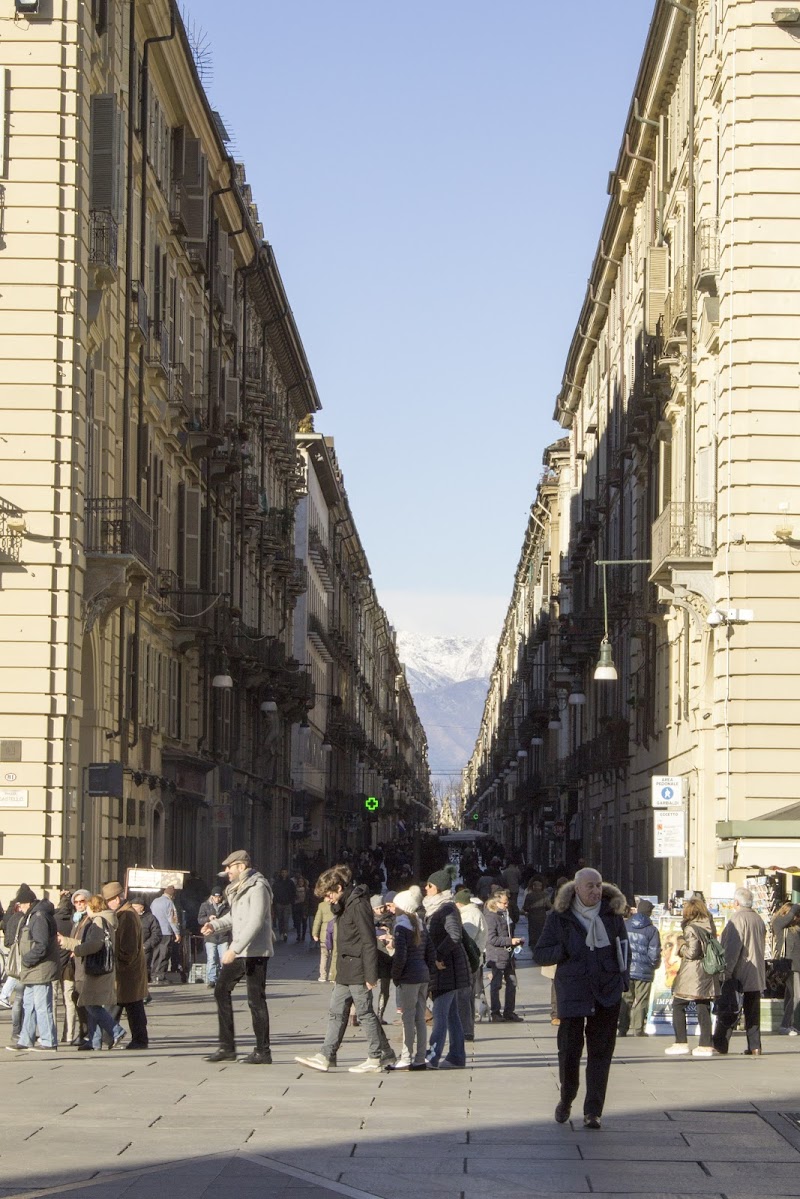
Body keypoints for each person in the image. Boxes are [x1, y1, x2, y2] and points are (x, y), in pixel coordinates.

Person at [532, 868, 628, 1129]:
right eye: (590, 886)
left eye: (598, 885)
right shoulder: (560, 918)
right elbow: (540, 954)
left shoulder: (612, 915)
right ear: (577, 889)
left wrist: (623, 982)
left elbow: (623, 949)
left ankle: (593, 1111)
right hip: (573, 992)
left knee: (601, 1053)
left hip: (606, 992)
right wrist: (564, 949)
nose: (596, 891)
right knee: (570, 1051)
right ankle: (567, 1097)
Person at [294, 864, 396, 1073]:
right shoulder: (345, 904)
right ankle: (327, 1055)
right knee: (336, 1012)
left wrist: (370, 974)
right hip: (345, 968)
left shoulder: (358, 904)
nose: (327, 899)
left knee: (365, 1013)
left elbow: (368, 940)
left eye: (329, 894)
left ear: (339, 888)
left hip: (358, 967)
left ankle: (376, 1057)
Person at [202, 849, 273, 1065]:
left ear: (241, 867)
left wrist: (234, 949)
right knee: (221, 990)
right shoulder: (238, 888)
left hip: (255, 952)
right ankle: (227, 1047)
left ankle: (263, 1051)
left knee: (255, 1000)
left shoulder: (258, 887)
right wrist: (214, 925)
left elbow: (255, 921)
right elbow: (235, 917)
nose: (226, 871)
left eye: (229, 867)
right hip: (241, 951)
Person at [58, 893, 125, 1050]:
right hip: (101, 968)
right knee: (91, 1002)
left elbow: (95, 944)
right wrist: (68, 942)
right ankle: (94, 1041)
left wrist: (79, 950)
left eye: (86, 904)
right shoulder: (105, 919)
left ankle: (116, 1031)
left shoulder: (98, 921)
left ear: (92, 907)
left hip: (97, 968)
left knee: (89, 1004)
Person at [424, 868, 471, 1070]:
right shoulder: (436, 908)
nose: (426, 888)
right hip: (446, 969)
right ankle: (457, 1056)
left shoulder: (447, 909)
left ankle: (432, 1057)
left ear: (439, 888)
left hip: (447, 969)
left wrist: (437, 956)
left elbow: (454, 935)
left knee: (440, 1015)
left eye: (430, 886)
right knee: (451, 1015)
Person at [712, 886, 766, 1056]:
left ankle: (720, 1044)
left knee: (729, 1008)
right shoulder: (758, 919)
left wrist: (726, 971)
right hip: (756, 972)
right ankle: (755, 1046)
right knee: (752, 1011)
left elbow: (732, 949)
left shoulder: (737, 919)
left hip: (739, 973)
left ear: (736, 902)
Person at [664, 896, 719, 1059]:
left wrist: (680, 947)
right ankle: (705, 1044)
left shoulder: (690, 928)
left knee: (678, 1004)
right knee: (703, 1006)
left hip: (693, 972)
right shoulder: (709, 924)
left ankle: (681, 1042)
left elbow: (693, 952)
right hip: (708, 970)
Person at [10, 883, 60, 1052]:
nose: (21, 908)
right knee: (28, 1005)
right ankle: (26, 1039)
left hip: (40, 968)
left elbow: (42, 945)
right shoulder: (33, 915)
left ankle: (49, 1041)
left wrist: (26, 960)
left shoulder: (38, 916)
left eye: (22, 904)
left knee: (41, 1006)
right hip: (33, 969)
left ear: (28, 903)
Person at [390, 889, 435, 1070]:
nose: (393, 908)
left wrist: (396, 975)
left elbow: (401, 956)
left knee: (407, 1018)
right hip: (422, 975)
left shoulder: (401, 927)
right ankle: (420, 1057)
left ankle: (406, 1057)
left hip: (409, 977)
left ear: (402, 907)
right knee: (420, 1018)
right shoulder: (420, 925)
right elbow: (430, 952)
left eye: (395, 905)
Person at [102, 882, 149, 1049]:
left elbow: (128, 947)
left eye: (108, 901)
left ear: (117, 898)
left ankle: (109, 1038)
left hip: (126, 971)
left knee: (118, 1005)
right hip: (129, 972)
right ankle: (138, 1039)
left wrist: (118, 963)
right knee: (133, 1006)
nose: (107, 904)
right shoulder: (124, 914)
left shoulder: (127, 916)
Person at [618, 899, 661, 1037]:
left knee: (626, 998)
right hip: (644, 970)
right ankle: (638, 1029)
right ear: (649, 912)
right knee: (642, 999)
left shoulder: (625, 925)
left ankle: (622, 1028)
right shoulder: (652, 930)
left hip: (627, 969)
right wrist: (653, 965)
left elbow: (620, 946)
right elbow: (654, 952)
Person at [484, 889, 525, 1022]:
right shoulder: (491, 917)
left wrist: (516, 942)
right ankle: (495, 1012)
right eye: (504, 903)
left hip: (508, 954)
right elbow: (491, 939)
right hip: (497, 955)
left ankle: (509, 1011)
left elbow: (508, 932)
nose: (507, 905)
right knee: (496, 984)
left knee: (512, 982)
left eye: (507, 903)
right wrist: (510, 941)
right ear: (496, 903)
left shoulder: (505, 914)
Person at [454, 889, 487, 1038]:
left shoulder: (469, 915)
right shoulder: (473, 913)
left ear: (459, 903)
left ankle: (466, 1030)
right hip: (473, 960)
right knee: (467, 996)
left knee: (465, 996)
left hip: (469, 961)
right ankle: (467, 1029)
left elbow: (467, 939)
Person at [773, 900, 800, 1035]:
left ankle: (789, 1024)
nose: (796, 917)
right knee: (796, 996)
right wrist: (796, 906)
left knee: (790, 995)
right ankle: (785, 1025)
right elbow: (788, 917)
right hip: (789, 965)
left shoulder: (795, 928)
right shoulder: (779, 924)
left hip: (796, 965)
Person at [129, 894, 161, 997]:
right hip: (130, 949)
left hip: (144, 950)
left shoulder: (150, 918)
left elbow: (156, 934)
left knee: (142, 972)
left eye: (135, 906)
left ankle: (142, 994)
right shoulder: (129, 917)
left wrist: (146, 946)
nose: (133, 908)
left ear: (141, 907)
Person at [197, 886, 230, 988]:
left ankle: (223, 979)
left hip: (223, 937)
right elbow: (199, 919)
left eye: (219, 897)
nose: (217, 899)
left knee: (223, 960)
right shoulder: (205, 905)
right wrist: (208, 918)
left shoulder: (227, 906)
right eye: (215, 897)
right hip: (210, 937)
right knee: (211, 959)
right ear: (211, 897)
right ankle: (212, 979)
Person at [150, 886, 181, 983]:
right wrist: (177, 933)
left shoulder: (154, 901)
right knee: (164, 954)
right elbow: (172, 919)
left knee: (155, 954)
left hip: (155, 932)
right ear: (172, 895)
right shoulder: (169, 902)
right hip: (166, 932)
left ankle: (153, 975)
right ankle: (160, 976)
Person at [312, 891, 335, 982]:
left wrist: (315, 933)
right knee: (334, 955)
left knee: (324, 955)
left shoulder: (321, 905)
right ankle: (333, 975)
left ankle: (323, 975)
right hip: (334, 932)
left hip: (324, 933)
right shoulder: (337, 905)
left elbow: (317, 920)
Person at [272, 868, 296, 943]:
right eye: (282, 872)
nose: (284, 874)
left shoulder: (290, 882)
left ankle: (285, 933)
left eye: (285, 872)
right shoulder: (277, 882)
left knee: (286, 919)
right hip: (279, 903)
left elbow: (293, 892)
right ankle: (281, 933)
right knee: (280, 919)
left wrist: (291, 901)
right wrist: (275, 902)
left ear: (287, 873)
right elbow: (274, 892)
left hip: (287, 903)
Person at [293, 874, 310, 942]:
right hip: (297, 906)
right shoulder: (295, 889)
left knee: (304, 922)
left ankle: (303, 935)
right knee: (298, 922)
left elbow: (308, 899)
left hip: (304, 907)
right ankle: (298, 935)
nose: (300, 883)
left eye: (301, 881)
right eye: (299, 881)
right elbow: (293, 897)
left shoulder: (307, 890)